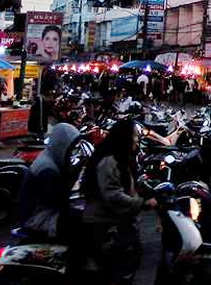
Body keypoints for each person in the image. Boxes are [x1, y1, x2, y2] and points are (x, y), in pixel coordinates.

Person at [81, 120, 156, 285]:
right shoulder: (109, 159)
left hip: (118, 220)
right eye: (135, 136)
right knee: (118, 268)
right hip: (106, 222)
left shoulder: (121, 156)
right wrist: (142, 203)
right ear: (125, 137)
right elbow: (113, 195)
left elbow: (129, 182)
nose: (137, 140)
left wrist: (150, 189)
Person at [16, 122, 81, 238]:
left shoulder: (51, 156)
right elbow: (59, 200)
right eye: (71, 146)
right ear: (62, 145)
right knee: (81, 222)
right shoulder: (47, 169)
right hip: (36, 218)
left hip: (40, 211)